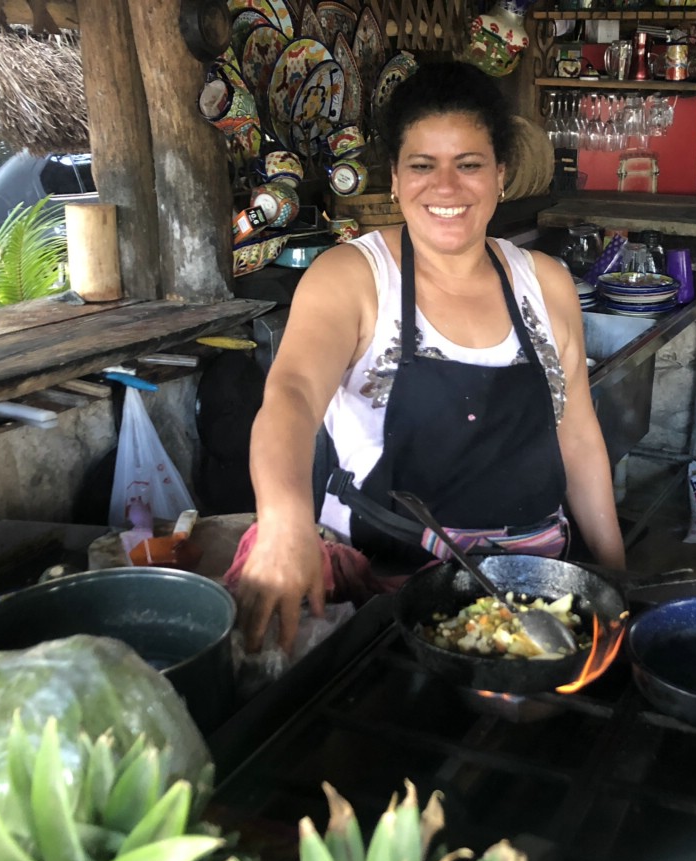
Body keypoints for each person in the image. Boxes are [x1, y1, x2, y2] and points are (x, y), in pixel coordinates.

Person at [233, 61, 626, 653]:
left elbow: (578, 436)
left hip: (535, 592)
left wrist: (617, 576)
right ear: (394, 178)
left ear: (500, 175)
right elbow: (291, 395)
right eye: (422, 165)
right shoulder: (353, 277)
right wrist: (283, 520)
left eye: (468, 164)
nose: (446, 187)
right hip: (382, 592)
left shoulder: (545, 283)